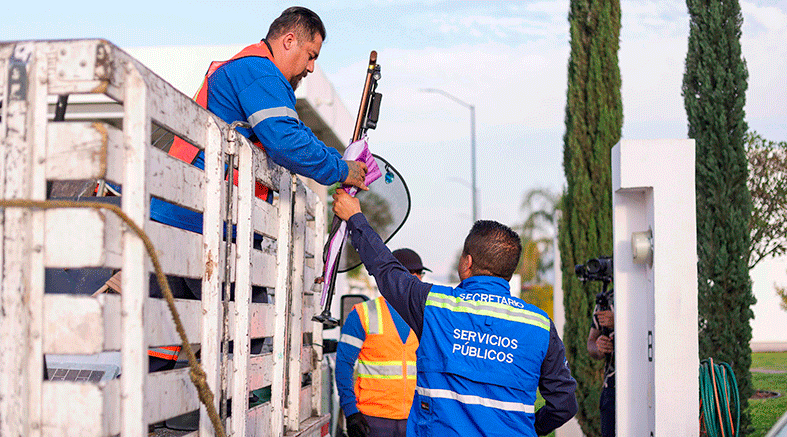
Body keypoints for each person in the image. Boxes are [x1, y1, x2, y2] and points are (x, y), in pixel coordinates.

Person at [331, 190, 578, 437]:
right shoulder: (539, 325)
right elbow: (564, 404)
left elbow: (386, 269)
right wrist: (529, 428)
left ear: (467, 262)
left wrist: (355, 217)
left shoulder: (435, 306)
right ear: (509, 270)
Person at [335, 249, 430, 437]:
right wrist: (351, 412)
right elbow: (343, 364)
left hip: (416, 419)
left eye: (420, 273)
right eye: (412, 272)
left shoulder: (428, 315)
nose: (418, 278)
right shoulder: (363, 314)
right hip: (373, 420)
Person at [587, 287, 615, 437]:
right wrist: (599, 348)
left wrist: (618, 321)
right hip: (611, 389)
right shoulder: (606, 299)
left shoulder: (645, 291)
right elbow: (591, 342)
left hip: (641, 385)